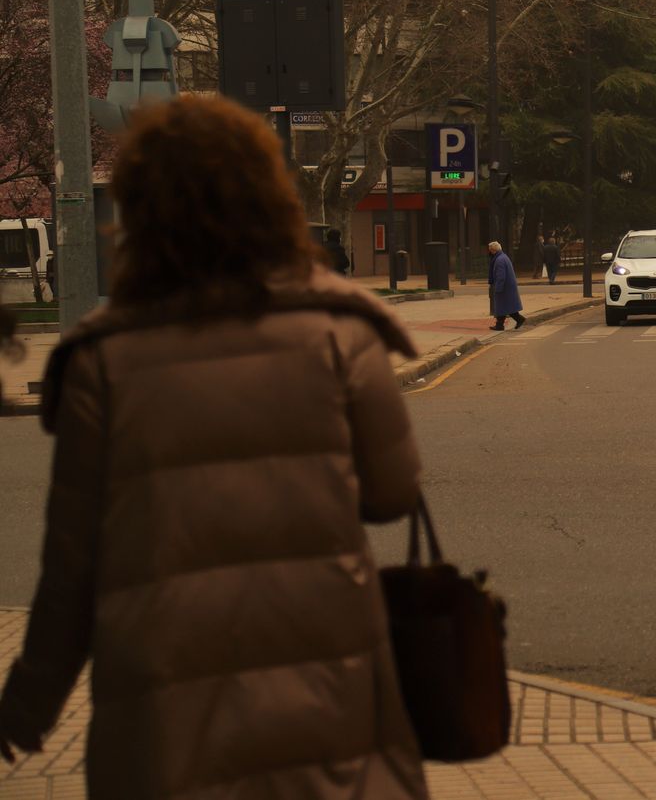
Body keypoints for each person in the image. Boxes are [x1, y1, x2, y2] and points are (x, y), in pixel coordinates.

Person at [0, 96, 427, 796]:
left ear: (138, 216)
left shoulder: (102, 362)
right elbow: (392, 494)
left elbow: (71, 570)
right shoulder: (339, 332)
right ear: (269, 199)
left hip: (162, 714)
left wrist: (28, 704)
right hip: (324, 688)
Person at [487, 240, 525, 329]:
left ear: (493, 250)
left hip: (504, 287)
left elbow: (501, 276)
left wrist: (498, 288)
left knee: (503, 306)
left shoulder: (499, 260)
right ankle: (500, 324)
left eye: (490, 250)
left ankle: (517, 320)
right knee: (505, 306)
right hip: (507, 286)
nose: (489, 252)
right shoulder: (503, 257)